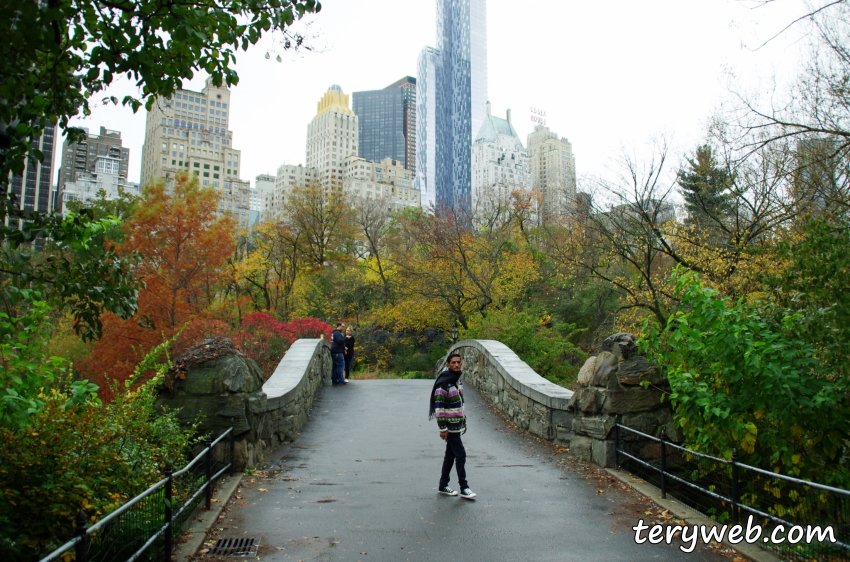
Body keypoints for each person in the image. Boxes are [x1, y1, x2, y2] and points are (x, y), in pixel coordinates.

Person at [428, 353, 476, 500]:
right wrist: (442, 428)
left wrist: (464, 421)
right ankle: (464, 487)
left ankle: (443, 485)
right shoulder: (444, 383)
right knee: (460, 454)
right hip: (450, 427)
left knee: (450, 456)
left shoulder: (457, 379)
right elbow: (439, 407)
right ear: (447, 364)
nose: (456, 365)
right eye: (453, 362)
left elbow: (460, 402)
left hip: (457, 425)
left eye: (458, 362)